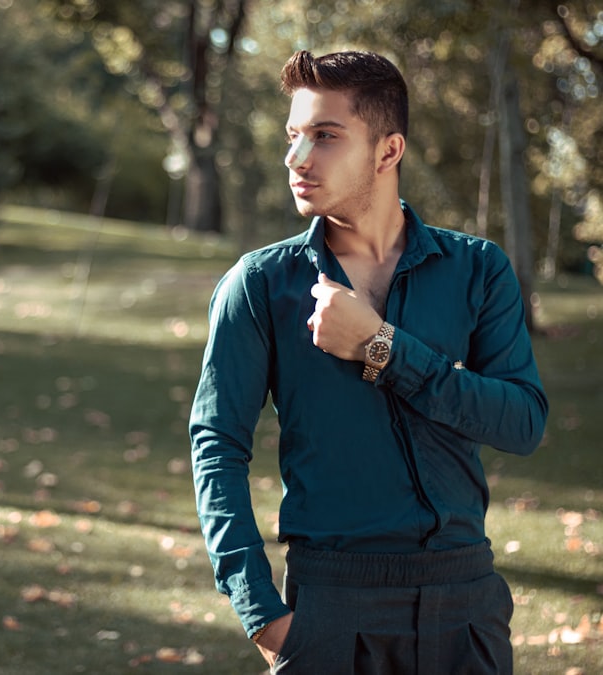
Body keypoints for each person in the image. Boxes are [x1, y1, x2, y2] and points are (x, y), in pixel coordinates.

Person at [189, 49, 548, 674]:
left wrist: (383, 346)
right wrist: (262, 615)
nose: (297, 160)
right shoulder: (259, 285)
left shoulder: (477, 269)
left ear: (388, 151)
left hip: (466, 607)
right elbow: (216, 448)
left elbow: (522, 424)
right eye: (293, 137)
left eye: (325, 137)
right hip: (330, 610)